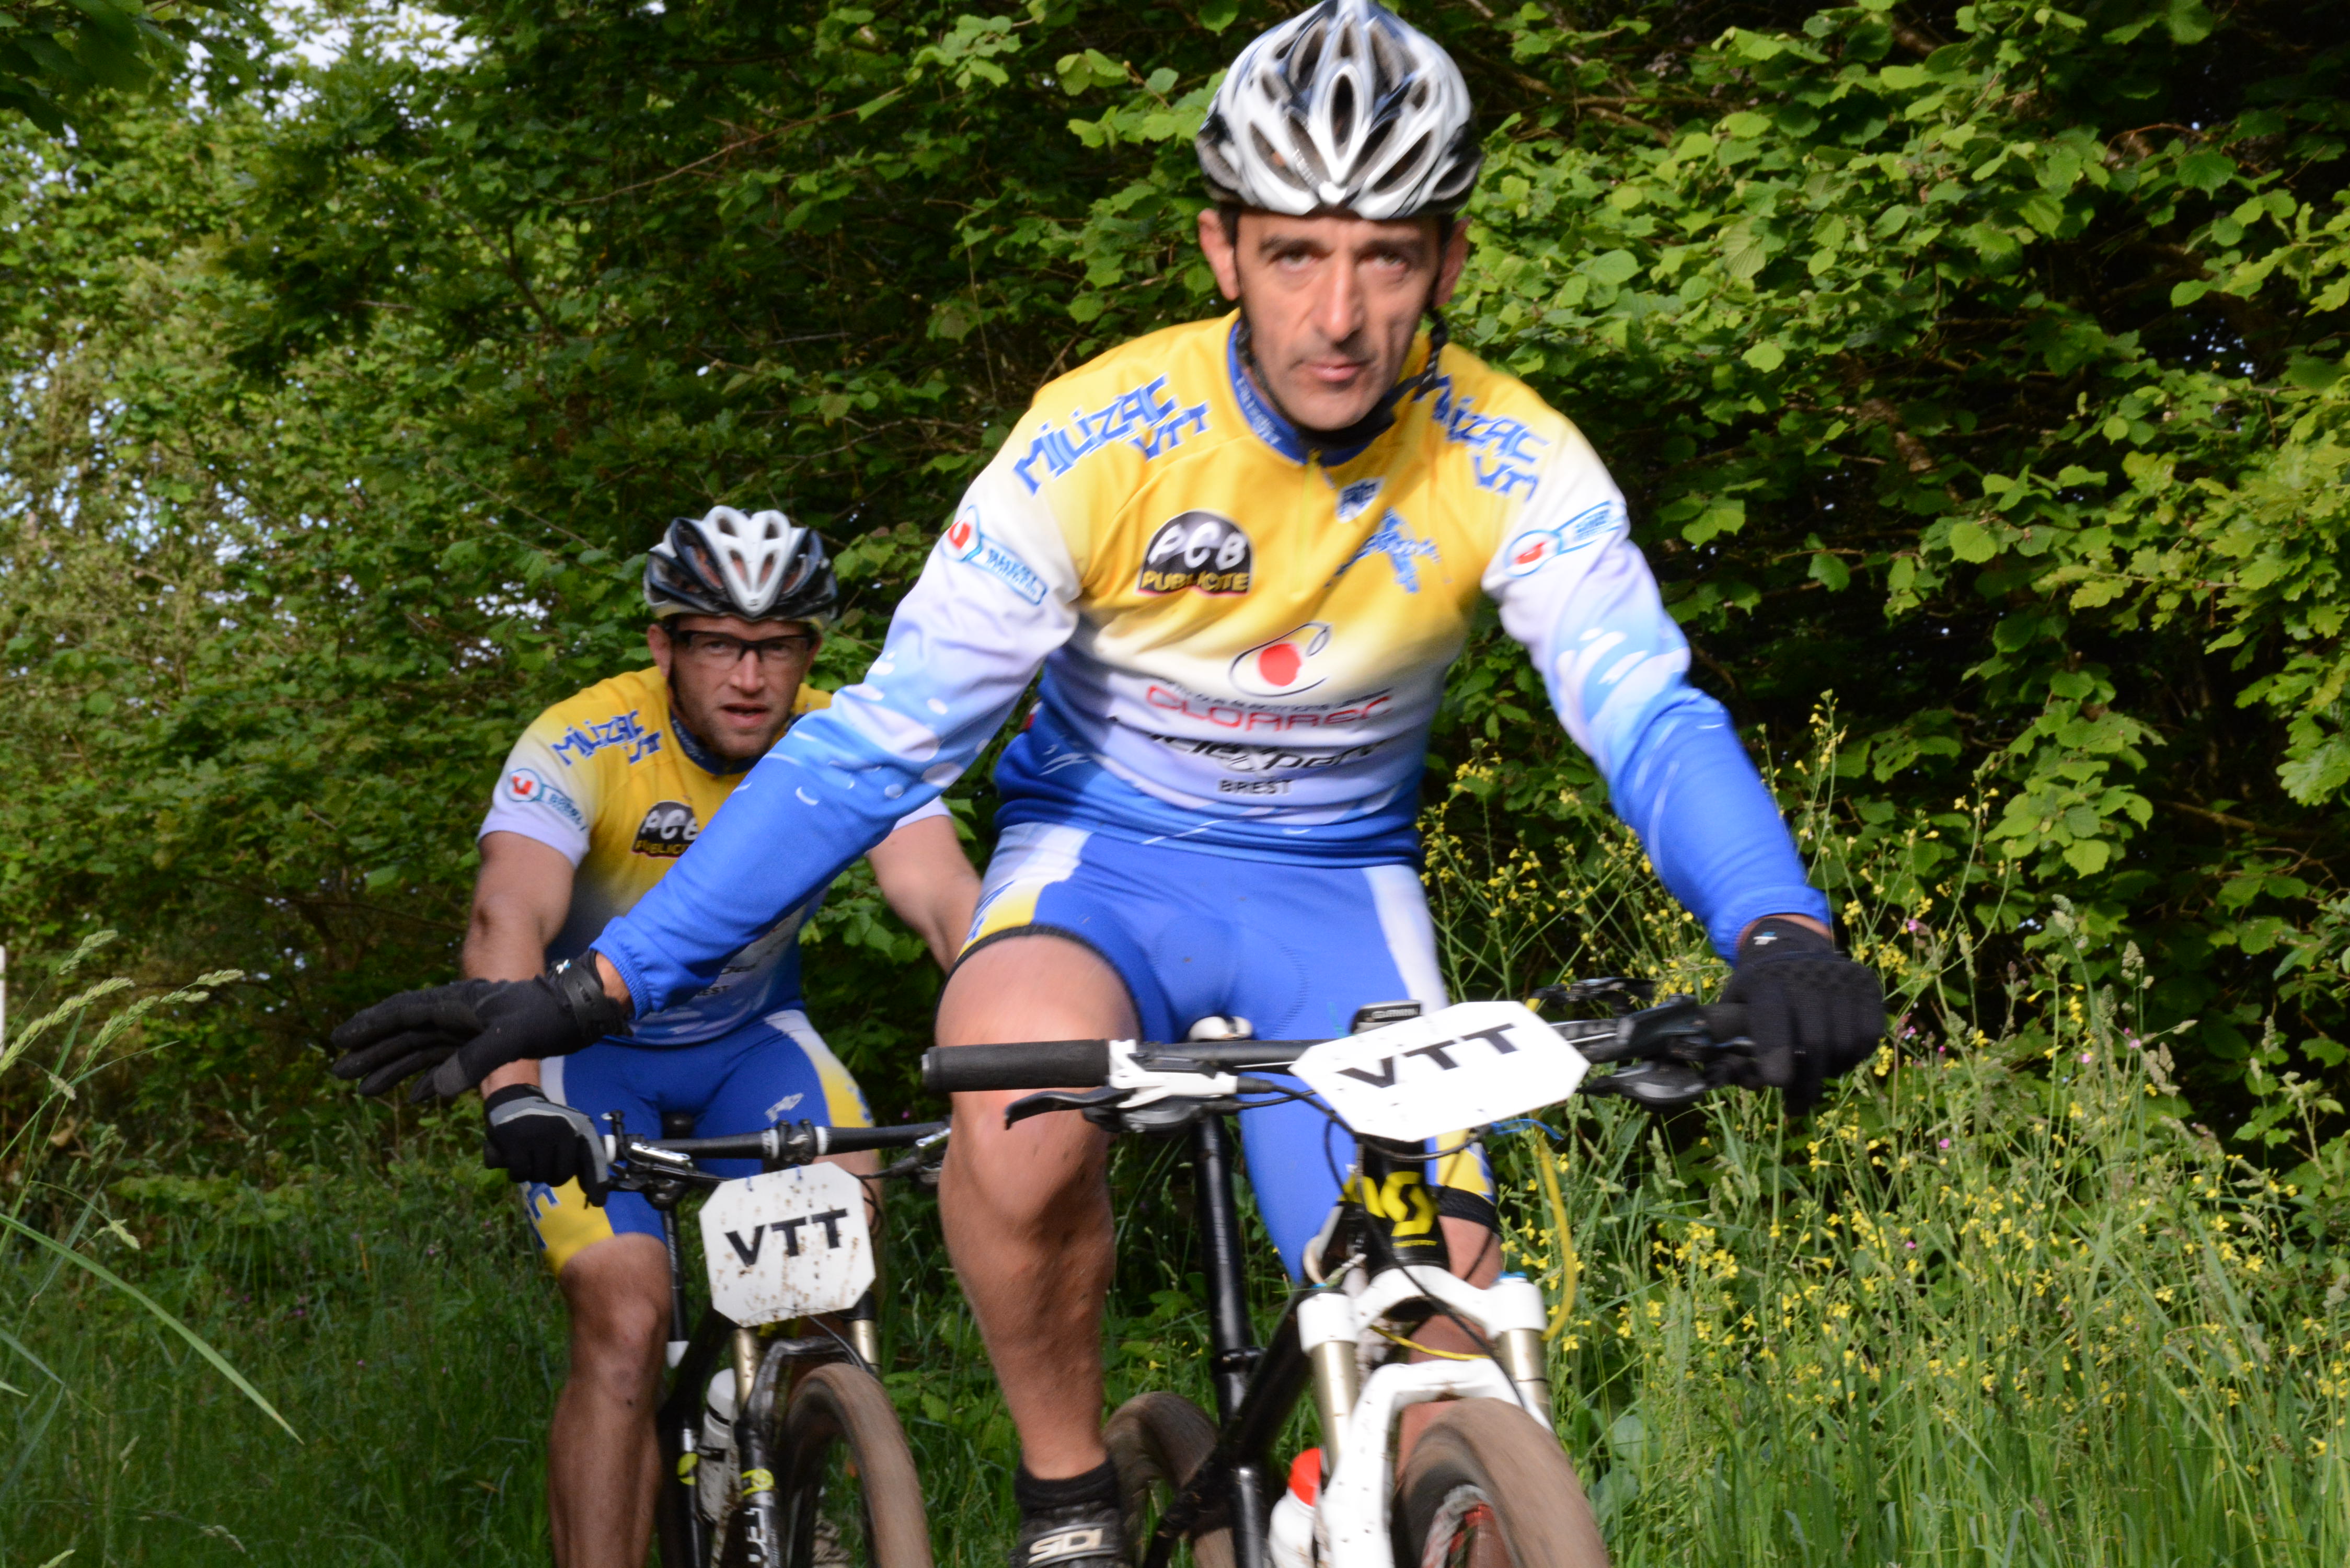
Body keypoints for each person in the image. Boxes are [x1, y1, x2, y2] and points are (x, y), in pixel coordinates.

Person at [332, 4, 1885, 1563]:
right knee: (1005, 1087)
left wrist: (1778, 927)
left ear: (1450, 262)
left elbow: (1645, 712)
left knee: (1442, 1342)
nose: (1339, 313)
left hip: (1334, 900)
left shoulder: (1512, 454)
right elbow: (877, 747)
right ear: (1222, 248)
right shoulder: (1098, 436)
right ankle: (1069, 1497)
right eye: (1295, 253)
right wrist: (601, 985)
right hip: (1100, 871)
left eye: (1387, 257)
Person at [333, 505, 979, 1568]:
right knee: (625, 1322)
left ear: (811, 652)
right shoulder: (583, 741)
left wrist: (1015, 1041)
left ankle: (776, 1453)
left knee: (835, 1263)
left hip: (753, 1043)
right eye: (718, 644)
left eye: (777, 647)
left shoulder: (847, 745)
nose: (749, 678)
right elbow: (507, 915)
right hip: (589, 1062)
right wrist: (514, 1093)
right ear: (663, 645)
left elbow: (944, 898)